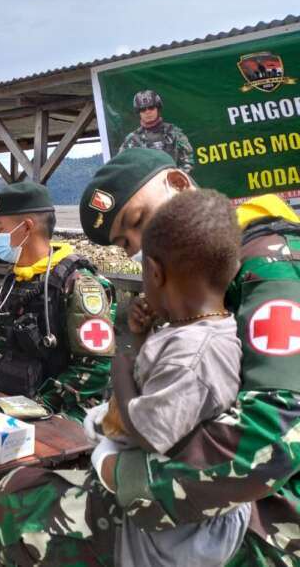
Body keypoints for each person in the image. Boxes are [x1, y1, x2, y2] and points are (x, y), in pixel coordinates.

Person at [0, 148, 300, 566]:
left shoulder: (272, 268)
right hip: (201, 487)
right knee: (20, 486)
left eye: (138, 222)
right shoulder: (193, 282)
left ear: (179, 185)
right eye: (126, 243)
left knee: (20, 512)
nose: (139, 246)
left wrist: (125, 477)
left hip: (268, 517)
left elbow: (276, 430)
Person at [86, 190, 249, 567]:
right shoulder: (192, 330)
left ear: (155, 272)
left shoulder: (195, 353)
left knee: (22, 503)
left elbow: (148, 431)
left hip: (179, 533)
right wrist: (141, 338)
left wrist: (122, 362)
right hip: (173, 503)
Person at [0, 180, 115, 420]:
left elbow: (95, 368)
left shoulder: (80, 284)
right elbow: (3, 343)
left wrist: (40, 407)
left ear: (26, 227)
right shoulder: (19, 276)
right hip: (12, 403)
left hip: (61, 415)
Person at [119, 89, 194, 173]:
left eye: (151, 107)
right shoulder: (132, 140)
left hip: (171, 179)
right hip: (145, 180)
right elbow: (122, 166)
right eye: (143, 109)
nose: (147, 112)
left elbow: (188, 160)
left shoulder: (173, 132)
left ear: (157, 108)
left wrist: (176, 177)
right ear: (139, 113)